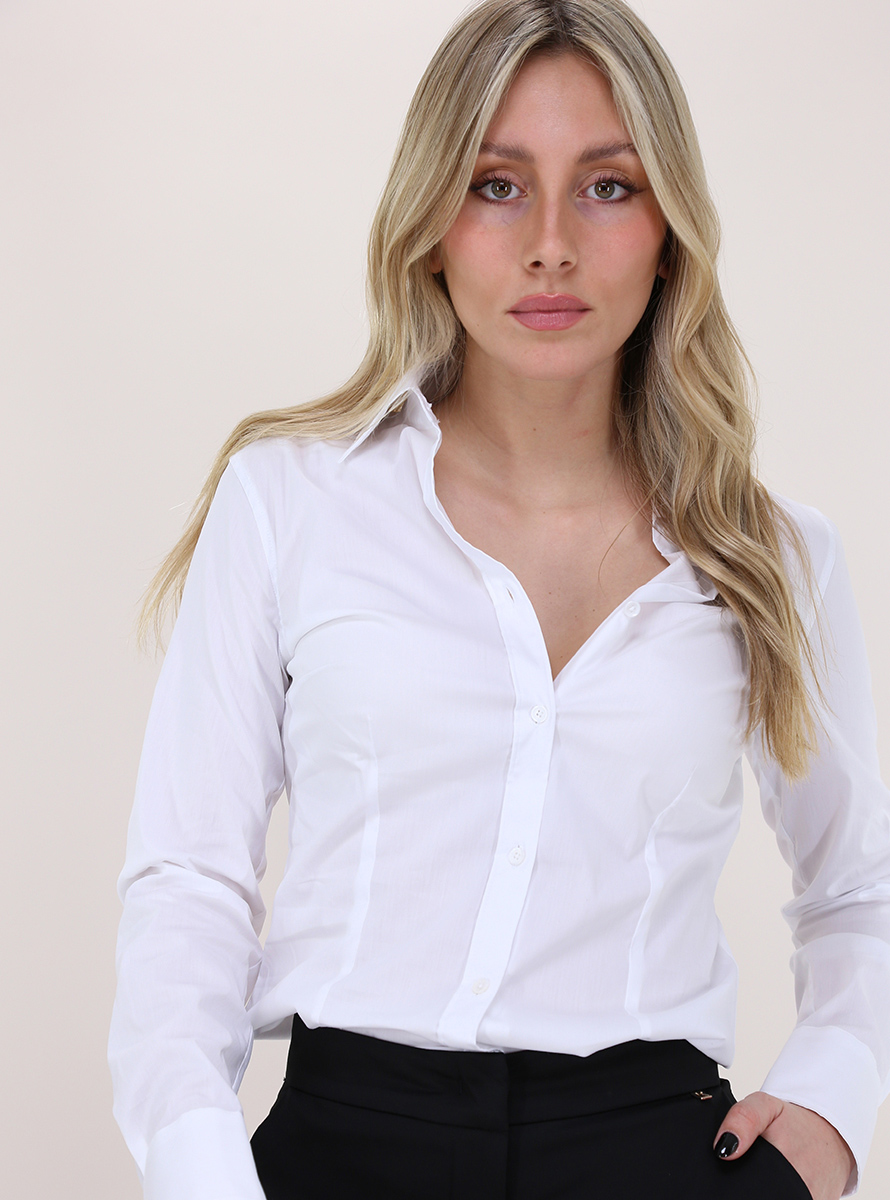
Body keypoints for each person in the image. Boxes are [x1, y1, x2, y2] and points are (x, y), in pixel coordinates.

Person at [107, 1, 890, 1197]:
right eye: (496, 185)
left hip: (657, 1151)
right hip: (340, 1150)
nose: (550, 245)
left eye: (607, 187)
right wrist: (199, 1166)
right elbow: (190, 880)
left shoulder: (770, 554)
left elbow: (858, 888)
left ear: (668, 230)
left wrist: (827, 1113)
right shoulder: (289, 501)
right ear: (430, 223)